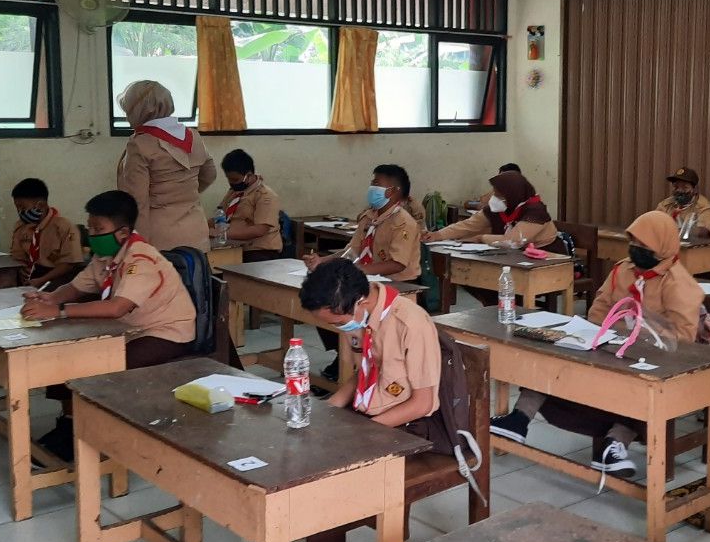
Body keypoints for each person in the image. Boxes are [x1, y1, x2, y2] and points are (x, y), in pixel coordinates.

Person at [216, 260, 441, 542]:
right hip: (370, 414)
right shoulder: (362, 318)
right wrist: (329, 407)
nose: (336, 328)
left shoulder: (410, 323)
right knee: (286, 447)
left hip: (408, 427)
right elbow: (367, 372)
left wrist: (362, 429)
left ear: (359, 302)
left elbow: (423, 402)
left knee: (324, 477)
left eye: (336, 322)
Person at [489, 211, 704, 479]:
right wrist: (604, 335)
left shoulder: (679, 284)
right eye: (633, 243)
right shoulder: (623, 270)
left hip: (651, 361)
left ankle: (615, 445)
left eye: (643, 245)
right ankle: (519, 419)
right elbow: (598, 311)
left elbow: (683, 337)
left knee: (638, 388)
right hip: (611, 348)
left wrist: (636, 333)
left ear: (662, 246)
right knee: (555, 356)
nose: (636, 250)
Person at [20, 190, 196, 461]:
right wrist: (49, 297)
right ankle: (69, 425)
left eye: (98, 228)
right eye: (89, 226)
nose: (91, 234)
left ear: (123, 233)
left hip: (165, 332)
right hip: (127, 330)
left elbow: (117, 308)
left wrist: (58, 310)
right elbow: (78, 287)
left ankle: (104, 436)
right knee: (69, 357)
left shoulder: (141, 260)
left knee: (103, 370)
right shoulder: (105, 257)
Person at [305, 164, 421, 382]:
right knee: (323, 300)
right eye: (372, 182)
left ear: (393, 191)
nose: (371, 187)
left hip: (396, 284)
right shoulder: (369, 217)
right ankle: (343, 355)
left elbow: (397, 263)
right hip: (366, 279)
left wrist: (357, 270)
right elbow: (352, 250)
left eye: (377, 184)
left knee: (341, 304)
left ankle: (359, 364)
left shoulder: (403, 222)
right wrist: (323, 261)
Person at [116, 80, 217, 253]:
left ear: (138, 110)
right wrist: (182, 195)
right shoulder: (193, 136)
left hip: (159, 239)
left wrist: (138, 247)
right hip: (196, 234)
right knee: (193, 278)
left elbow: (136, 202)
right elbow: (210, 174)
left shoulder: (139, 144)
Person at [424, 170, 557, 248]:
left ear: (512, 195)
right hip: (512, 256)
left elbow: (513, 241)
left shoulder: (535, 211)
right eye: (495, 193)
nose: (494, 198)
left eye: (499, 195)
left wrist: (481, 238)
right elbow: (467, 225)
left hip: (546, 255)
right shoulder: (500, 208)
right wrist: (438, 235)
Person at [9, 177, 83, 289]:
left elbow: (69, 264)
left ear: (41, 205)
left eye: (22, 207)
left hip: (56, 275)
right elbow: (17, 256)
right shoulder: (20, 226)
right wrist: (21, 271)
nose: (20, 212)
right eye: (17, 208)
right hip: (31, 274)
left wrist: (41, 280)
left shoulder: (63, 226)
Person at [210, 149, 282, 262]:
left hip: (258, 251)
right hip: (233, 246)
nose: (231, 182)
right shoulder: (234, 192)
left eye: (234, 179)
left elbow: (259, 230)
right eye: (228, 179)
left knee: (222, 271)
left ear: (248, 175)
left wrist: (223, 234)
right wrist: (201, 227)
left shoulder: (265, 196)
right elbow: (220, 216)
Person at [656, 167, 710, 238]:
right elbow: (654, 223)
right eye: (676, 187)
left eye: (685, 187)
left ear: (695, 189)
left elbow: (703, 233)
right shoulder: (666, 204)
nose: (679, 191)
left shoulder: (703, 207)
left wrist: (671, 231)